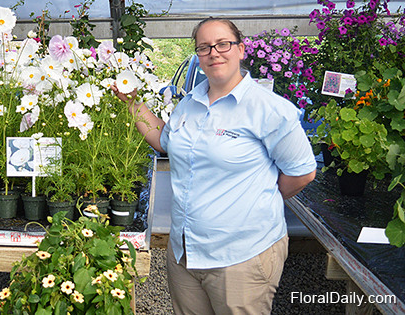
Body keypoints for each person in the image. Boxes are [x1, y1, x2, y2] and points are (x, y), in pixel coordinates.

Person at [112, 18, 316, 314]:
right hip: (185, 252)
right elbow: (164, 140)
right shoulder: (190, 103)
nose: (213, 53)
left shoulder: (269, 109)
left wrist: (259, 198)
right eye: (204, 47)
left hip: (241, 256)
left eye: (223, 44)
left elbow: (302, 173)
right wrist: (133, 103)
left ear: (241, 49)